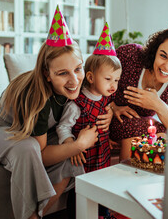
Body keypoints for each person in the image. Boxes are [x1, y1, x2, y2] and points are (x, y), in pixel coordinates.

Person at [0, 6, 112, 219]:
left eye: (78, 69)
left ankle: (38, 214)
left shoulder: (76, 85)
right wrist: (79, 144)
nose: (74, 80)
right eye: (62, 73)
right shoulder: (36, 96)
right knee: (29, 148)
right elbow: (40, 155)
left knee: (70, 158)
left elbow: (102, 92)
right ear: (47, 74)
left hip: (29, 133)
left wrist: (113, 109)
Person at [109, 5, 168, 161]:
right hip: (109, 119)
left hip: (137, 130)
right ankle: (125, 178)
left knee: (160, 133)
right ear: (154, 51)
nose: (167, 66)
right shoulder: (130, 55)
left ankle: (143, 179)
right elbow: (94, 79)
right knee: (150, 128)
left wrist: (157, 105)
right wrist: (112, 106)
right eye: (163, 56)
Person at [56, 22, 121, 219]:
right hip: (83, 158)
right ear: (91, 77)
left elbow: (110, 107)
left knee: (102, 188)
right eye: (108, 79)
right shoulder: (77, 103)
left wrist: (114, 110)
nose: (113, 85)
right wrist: (71, 144)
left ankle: (104, 214)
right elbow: (63, 127)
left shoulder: (106, 97)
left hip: (102, 155)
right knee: (80, 194)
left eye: (116, 80)